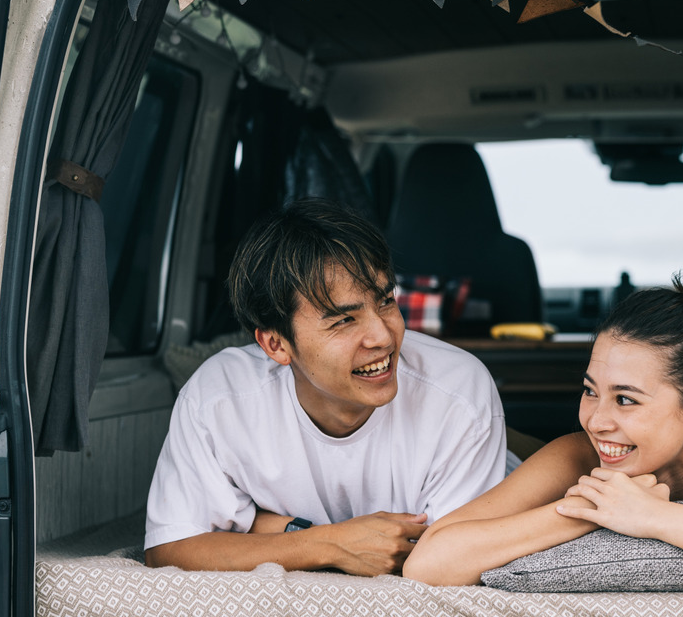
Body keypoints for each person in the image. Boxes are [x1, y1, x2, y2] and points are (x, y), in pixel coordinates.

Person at [402, 257, 683, 594]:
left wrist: (654, 518)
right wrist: (588, 511)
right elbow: (429, 564)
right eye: (589, 390)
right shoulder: (576, 452)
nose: (597, 421)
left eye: (625, 399)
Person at [144, 198, 507, 576]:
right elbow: (169, 548)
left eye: (385, 301)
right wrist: (329, 543)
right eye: (344, 320)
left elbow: (445, 561)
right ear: (276, 345)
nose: (383, 336)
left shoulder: (458, 392)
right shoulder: (219, 399)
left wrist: (262, 525)